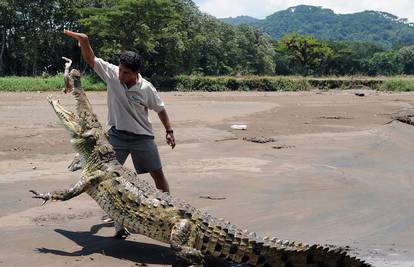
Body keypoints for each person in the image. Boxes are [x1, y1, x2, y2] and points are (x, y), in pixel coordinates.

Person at [64, 29, 175, 238]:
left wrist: (169, 131)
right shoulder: (112, 74)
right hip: (117, 136)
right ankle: (117, 217)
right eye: (121, 70)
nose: (121, 75)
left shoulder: (146, 88)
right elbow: (91, 59)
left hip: (142, 136)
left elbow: (160, 109)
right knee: (108, 176)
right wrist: (85, 41)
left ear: (136, 73)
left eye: (126, 73)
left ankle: (169, 210)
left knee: (157, 175)